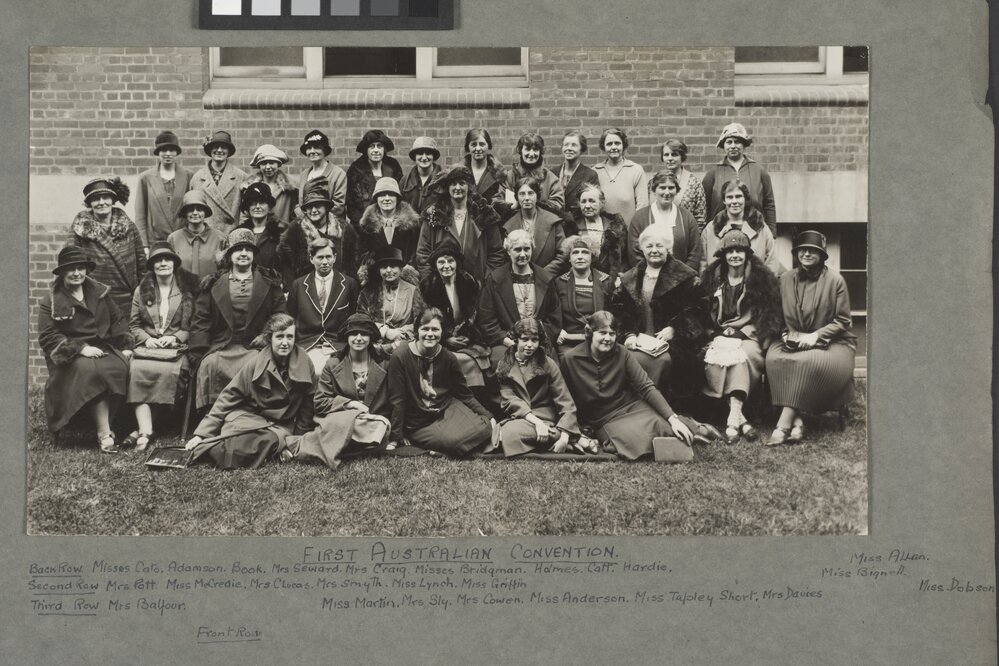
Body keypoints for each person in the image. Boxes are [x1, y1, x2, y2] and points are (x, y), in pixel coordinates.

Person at [560, 311, 722, 460]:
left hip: (630, 406)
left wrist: (672, 419)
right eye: (602, 333)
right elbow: (564, 397)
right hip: (603, 418)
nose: (608, 339)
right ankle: (690, 433)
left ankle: (694, 428)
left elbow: (646, 386)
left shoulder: (622, 353)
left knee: (662, 424)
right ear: (590, 333)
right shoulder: (570, 359)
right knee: (630, 441)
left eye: (612, 334)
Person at [185, 314, 316, 469]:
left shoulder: (305, 362)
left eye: (290, 337)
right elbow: (229, 396)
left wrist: (296, 442)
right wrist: (202, 433)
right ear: (270, 338)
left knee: (266, 441)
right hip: (251, 417)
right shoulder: (256, 362)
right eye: (279, 337)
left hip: (280, 426)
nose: (285, 343)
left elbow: (308, 407)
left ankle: (218, 454)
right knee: (237, 436)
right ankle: (213, 450)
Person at [765, 231, 856, 445]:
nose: (806, 254)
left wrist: (816, 336)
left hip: (834, 343)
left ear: (822, 255)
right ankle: (797, 422)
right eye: (802, 250)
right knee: (773, 358)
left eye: (812, 251)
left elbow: (843, 321)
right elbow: (777, 316)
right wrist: (786, 334)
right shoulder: (785, 279)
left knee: (807, 363)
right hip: (794, 339)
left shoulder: (836, 281)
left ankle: (783, 425)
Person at [37, 247, 130, 453]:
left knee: (120, 368)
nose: (77, 273)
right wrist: (80, 349)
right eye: (71, 269)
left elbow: (117, 320)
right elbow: (48, 337)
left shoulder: (100, 292)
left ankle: (107, 423)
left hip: (102, 348)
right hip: (69, 357)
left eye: (81, 268)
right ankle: (104, 434)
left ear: (86, 270)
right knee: (92, 371)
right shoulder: (50, 301)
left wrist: (125, 347)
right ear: (62, 272)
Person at [699, 230, 783, 442]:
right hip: (717, 335)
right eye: (730, 251)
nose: (735, 255)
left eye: (739, 251)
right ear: (724, 255)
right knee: (713, 356)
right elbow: (701, 315)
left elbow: (767, 315)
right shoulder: (711, 280)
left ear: (747, 254)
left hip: (748, 336)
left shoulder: (760, 280)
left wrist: (742, 333)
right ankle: (742, 421)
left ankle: (732, 420)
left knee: (742, 358)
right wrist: (716, 333)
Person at [190, 228, 286, 410]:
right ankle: (216, 415)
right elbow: (200, 320)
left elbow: (280, 315)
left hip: (256, 346)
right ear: (229, 254)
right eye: (238, 249)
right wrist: (199, 352)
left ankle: (249, 414)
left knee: (259, 363)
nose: (243, 253)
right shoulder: (213, 283)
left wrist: (267, 336)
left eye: (248, 249)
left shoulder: (269, 281)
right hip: (222, 344)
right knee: (209, 364)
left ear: (253, 254)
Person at [611, 225, 712, 397]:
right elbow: (620, 311)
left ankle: (659, 407)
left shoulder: (686, 276)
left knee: (662, 361)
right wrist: (628, 334)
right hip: (638, 340)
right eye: (649, 246)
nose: (654, 250)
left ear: (668, 248)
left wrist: (675, 328)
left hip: (675, 343)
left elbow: (700, 309)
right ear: (641, 249)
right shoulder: (630, 278)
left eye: (659, 246)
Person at [385, 307, 495, 455]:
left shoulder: (448, 357)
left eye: (435, 330)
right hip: (418, 421)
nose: (430, 334)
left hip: (446, 409)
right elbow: (397, 399)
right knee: (450, 441)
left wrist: (489, 416)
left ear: (442, 332)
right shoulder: (400, 356)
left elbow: (464, 394)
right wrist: (395, 437)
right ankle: (440, 443)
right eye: (425, 329)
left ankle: (445, 444)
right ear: (417, 331)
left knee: (485, 426)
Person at [124, 242, 199, 451]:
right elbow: (134, 324)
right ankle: (146, 430)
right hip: (148, 347)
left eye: (167, 259)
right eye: (158, 260)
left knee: (169, 373)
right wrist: (147, 339)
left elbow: (195, 324)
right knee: (136, 370)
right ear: (152, 265)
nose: (163, 263)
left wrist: (176, 338)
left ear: (174, 264)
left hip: (175, 350)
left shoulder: (188, 289)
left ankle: (140, 431)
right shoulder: (142, 290)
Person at [291, 313, 391, 468]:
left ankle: (330, 444)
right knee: (344, 426)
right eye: (353, 334)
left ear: (371, 336)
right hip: (340, 421)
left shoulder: (384, 364)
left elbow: (394, 399)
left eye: (364, 334)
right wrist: (351, 404)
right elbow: (320, 402)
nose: (358, 338)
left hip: (371, 421)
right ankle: (350, 445)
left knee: (381, 425)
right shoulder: (332, 364)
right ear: (346, 337)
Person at [496, 317, 585, 457]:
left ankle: (564, 438)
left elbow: (565, 400)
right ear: (516, 340)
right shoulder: (505, 365)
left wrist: (565, 435)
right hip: (523, 417)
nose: (530, 345)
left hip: (546, 417)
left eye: (534, 340)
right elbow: (510, 400)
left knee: (507, 436)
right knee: (500, 436)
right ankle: (566, 439)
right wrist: (538, 424)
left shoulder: (547, 363)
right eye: (525, 339)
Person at [478, 229, 562, 366]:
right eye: (517, 249)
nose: (523, 254)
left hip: (538, 342)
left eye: (526, 249)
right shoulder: (495, 279)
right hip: (507, 342)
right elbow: (487, 319)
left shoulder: (545, 278)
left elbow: (554, 317)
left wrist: (536, 340)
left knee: (548, 366)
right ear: (508, 251)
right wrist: (506, 340)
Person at [69, 176, 145, 317]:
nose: (101, 202)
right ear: (89, 203)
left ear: (113, 200)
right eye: (96, 199)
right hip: (96, 298)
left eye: (106, 197)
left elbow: (142, 264)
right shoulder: (79, 230)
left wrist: (145, 292)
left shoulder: (129, 227)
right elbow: (70, 265)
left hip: (128, 298)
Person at [419, 239, 491, 388]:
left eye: (450, 261)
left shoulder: (469, 283)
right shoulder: (428, 287)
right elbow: (424, 319)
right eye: (441, 262)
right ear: (435, 265)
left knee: (477, 359)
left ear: (457, 262)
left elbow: (474, 314)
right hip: (438, 339)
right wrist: (446, 338)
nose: (446, 266)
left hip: (466, 336)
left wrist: (466, 334)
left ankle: (472, 394)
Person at [417, 166, 505, 284]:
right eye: (453, 184)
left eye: (462, 183)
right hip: (442, 286)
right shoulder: (435, 214)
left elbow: (496, 252)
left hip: (477, 286)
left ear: (469, 186)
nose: (457, 188)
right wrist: (431, 282)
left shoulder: (484, 214)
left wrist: (486, 281)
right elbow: (423, 252)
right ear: (447, 187)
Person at [286, 238, 360, 373]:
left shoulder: (349, 284)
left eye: (328, 257)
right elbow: (289, 318)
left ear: (335, 258)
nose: (325, 262)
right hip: (307, 344)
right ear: (311, 259)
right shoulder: (299, 285)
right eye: (320, 257)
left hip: (337, 345)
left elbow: (356, 319)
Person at [278, 177, 358, 285]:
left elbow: (352, 264)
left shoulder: (343, 229)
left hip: (339, 287)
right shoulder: (295, 229)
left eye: (318, 205)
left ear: (326, 207)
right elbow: (288, 267)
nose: (314, 210)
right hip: (307, 289)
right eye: (309, 206)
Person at [702, 122, 777, 234]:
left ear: (744, 145)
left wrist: (771, 234)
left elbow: (769, 204)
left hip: (754, 231)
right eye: (729, 142)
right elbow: (704, 207)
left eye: (737, 142)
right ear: (724, 145)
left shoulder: (759, 170)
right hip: (721, 232)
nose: (733, 146)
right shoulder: (713, 173)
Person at [700, 179, 782, 275]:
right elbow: (702, 262)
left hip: (754, 286)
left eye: (738, 196)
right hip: (719, 286)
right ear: (724, 200)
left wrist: (764, 286)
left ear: (745, 199)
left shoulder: (761, 227)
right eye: (729, 197)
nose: (734, 201)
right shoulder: (711, 229)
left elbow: (772, 261)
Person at [628, 170, 702, 271]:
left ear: (677, 190)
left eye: (671, 188)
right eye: (662, 188)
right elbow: (634, 254)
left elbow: (695, 252)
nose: (667, 192)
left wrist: (682, 276)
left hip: (681, 280)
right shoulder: (640, 217)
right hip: (649, 278)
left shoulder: (687, 217)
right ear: (654, 190)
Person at [357, 247, 425, 354]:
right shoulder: (368, 292)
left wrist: (403, 333)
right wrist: (385, 332)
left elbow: (421, 321)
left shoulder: (413, 291)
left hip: (405, 344)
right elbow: (361, 320)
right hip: (374, 344)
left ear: (401, 269)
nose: (389, 270)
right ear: (379, 270)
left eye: (393, 266)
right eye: (384, 267)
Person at [554, 236, 614, 356]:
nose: (580, 257)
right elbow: (553, 314)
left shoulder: (605, 281)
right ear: (569, 258)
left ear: (592, 257)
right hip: (569, 342)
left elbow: (613, 314)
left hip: (601, 340)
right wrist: (558, 331)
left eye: (585, 252)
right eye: (575, 253)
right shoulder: (559, 283)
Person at [134, 130, 192, 249]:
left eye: (171, 150)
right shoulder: (146, 178)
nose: (168, 153)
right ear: (158, 152)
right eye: (164, 150)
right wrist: (144, 245)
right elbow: (140, 214)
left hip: (183, 241)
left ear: (177, 152)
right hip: (156, 242)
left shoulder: (188, 176)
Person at [501, 176, 568, 276]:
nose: (527, 198)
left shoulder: (552, 221)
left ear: (537, 196)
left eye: (531, 193)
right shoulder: (508, 225)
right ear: (516, 197)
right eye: (522, 194)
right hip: (518, 278)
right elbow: (505, 257)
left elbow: (563, 254)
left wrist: (543, 274)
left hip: (548, 279)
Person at [563, 183, 628, 283]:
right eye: (583, 202)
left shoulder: (616, 227)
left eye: (592, 201)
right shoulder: (572, 227)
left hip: (611, 281)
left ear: (602, 203)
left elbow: (624, 257)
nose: (587, 206)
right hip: (581, 280)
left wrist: (620, 277)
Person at [493, 132, 565, 220]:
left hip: (542, 224)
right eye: (527, 149)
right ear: (520, 150)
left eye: (535, 149)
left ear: (540, 152)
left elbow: (559, 205)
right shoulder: (509, 177)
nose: (531, 154)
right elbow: (496, 202)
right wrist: (511, 206)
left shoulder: (551, 179)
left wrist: (536, 204)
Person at [357, 176, 421, 271]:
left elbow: (416, 252)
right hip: (376, 274)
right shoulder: (367, 225)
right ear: (376, 198)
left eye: (391, 195)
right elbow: (362, 254)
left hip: (404, 276)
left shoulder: (411, 225)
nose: (387, 199)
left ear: (397, 198)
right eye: (382, 195)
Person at [189, 130, 247, 234]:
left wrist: (239, 232)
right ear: (210, 149)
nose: (219, 150)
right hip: (206, 235)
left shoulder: (240, 176)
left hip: (232, 234)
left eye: (223, 147)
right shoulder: (197, 178)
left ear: (229, 151)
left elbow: (245, 211)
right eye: (216, 146)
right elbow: (191, 210)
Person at [346, 129, 403, 228]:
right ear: (366, 150)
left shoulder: (393, 168)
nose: (376, 150)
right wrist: (364, 224)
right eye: (371, 147)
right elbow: (351, 206)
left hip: (390, 223)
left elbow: (400, 198)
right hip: (364, 225)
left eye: (379, 146)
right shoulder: (356, 170)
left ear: (384, 149)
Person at [167, 190, 226, 280]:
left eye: (199, 209)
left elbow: (225, 270)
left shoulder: (219, 238)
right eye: (190, 209)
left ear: (205, 212)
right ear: (185, 213)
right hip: (182, 290)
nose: (195, 213)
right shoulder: (173, 238)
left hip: (212, 290)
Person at [592, 127, 649, 222]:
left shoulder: (635, 170)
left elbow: (642, 206)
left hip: (629, 231)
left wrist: (635, 231)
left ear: (623, 145)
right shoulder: (595, 171)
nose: (613, 147)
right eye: (609, 144)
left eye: (617, 143)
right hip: (601, 232)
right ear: (604, 147)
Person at [236, 182, 284, 283]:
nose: (257, 207)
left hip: (274, 287)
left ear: (269, 206)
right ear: (248, 208)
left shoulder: (281, 232)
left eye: (262, 202)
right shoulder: (239, 233)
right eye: (253, 203)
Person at [295, 130, 347, 222]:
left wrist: (315, 218)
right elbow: (300, 203)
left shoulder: (338, 174)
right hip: (306, 227)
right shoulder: (304, 174)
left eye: (317, 147)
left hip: (331, 226)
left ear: (324, 150)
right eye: (309, 148)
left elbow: (339, 206)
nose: (312, 151)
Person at [242, 144, 297, 227]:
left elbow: (295, 216)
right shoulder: (250, 187)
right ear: (259, 166)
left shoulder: (290, 189)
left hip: (282, 233)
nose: (268, 167)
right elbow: (244, 215)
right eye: (263, 163)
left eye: (271, 163)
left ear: (278, 164)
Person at [660, 137, 707, 229]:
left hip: (686, 235)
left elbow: (700, 217)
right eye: (666, 155)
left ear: (682, 157)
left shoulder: (694, 183)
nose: (670, 158)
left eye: (674, 155)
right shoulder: (654, 182)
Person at [553, 130, 599, 221]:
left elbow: (594, 203)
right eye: (566, 145)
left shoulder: (590, 175)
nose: (569, 148)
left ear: (581, 149)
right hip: (555, 224)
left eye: (574, 145)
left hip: (578, 224)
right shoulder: (553, 173)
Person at [400, 136, 443, 214]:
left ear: (433, 156)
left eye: (428, 153)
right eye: (420, 153)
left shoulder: (443, 179)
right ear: (414, 157)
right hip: (411, 225)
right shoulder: (405, 181)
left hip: (435, 225)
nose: (424, 157)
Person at [462, 128, 505, 204]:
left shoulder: (499, 173)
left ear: (488, 146)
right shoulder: (459, 172)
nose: (478, 148)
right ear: (468, 147)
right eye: (473, 144)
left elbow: (502, 201)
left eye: (482, 144)